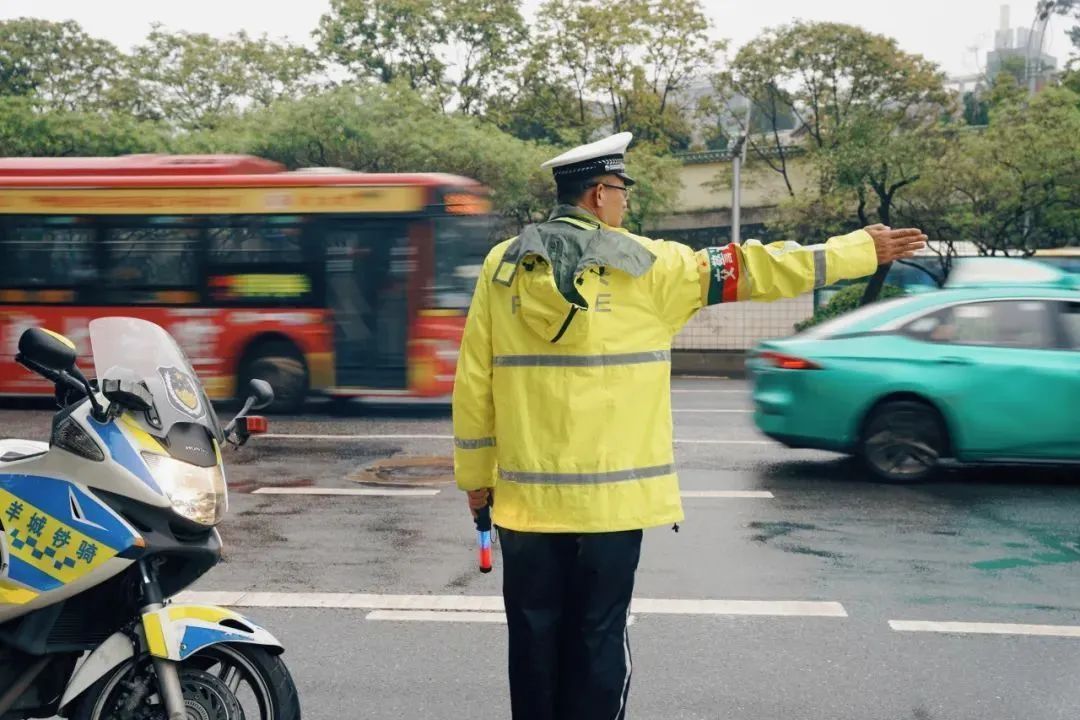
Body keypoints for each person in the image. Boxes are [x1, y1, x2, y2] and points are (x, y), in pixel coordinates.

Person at [452, 132, 926, 720]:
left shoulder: (502, 267)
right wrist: (858, 251)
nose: (626, 201)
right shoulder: (655, 267)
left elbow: (474, 380)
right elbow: (757, 267)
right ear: (598, 195)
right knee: (598, 636)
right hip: (612, 509)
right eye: (622, 190)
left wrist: (476, 479)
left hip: (525, 506)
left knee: (532, 637)